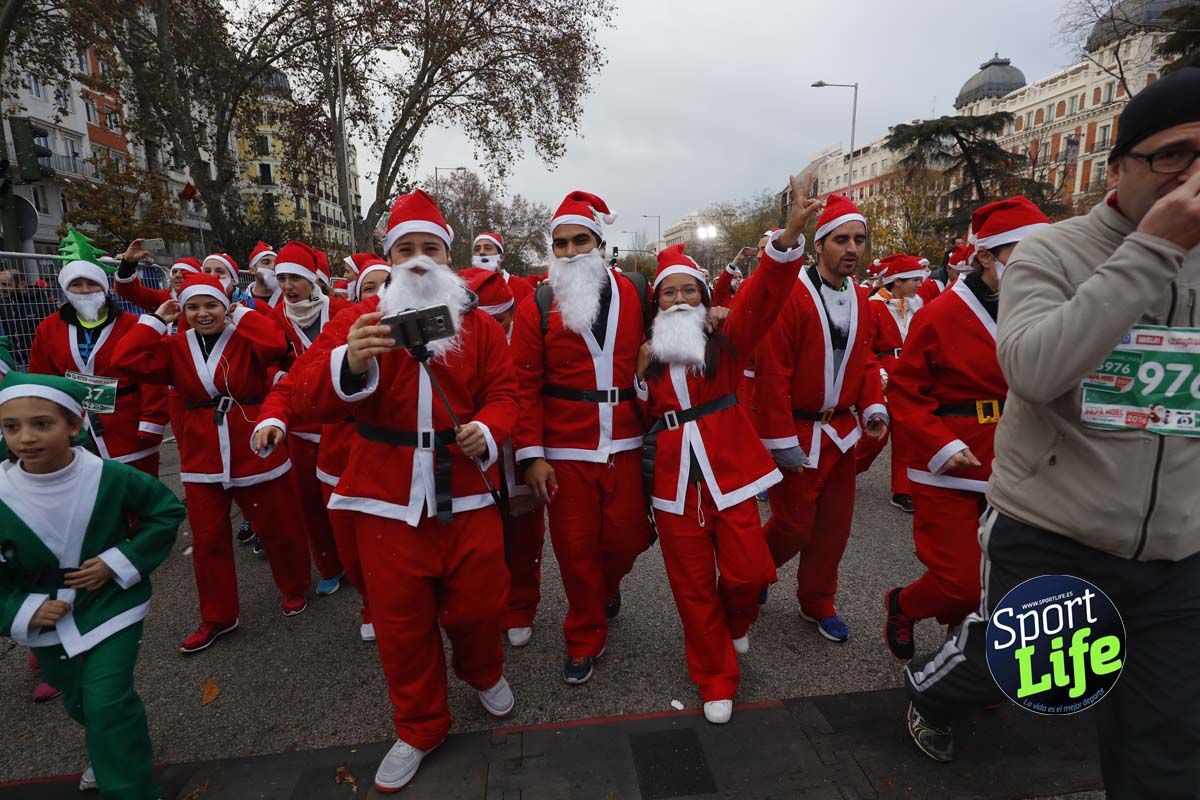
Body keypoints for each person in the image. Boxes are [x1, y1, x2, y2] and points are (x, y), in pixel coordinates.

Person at [902, 69, 1200, 799]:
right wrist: (1151, 249)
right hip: (1056, 531)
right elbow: (1033, 370)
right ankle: (933, 687)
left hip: (1176, 553)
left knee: (1169, 746)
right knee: (1030, 679)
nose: (1192, 178)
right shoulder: (1050, 254)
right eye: (1173, 155)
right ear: (1117, 165)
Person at [287, 189, 519, 793]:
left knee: (479, 605)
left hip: (465, 490)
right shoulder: (356, 321)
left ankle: (482, 668)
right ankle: (419, 725)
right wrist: (352, 363)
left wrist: (489, 430)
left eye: (430, 248)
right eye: (406, 249)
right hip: (385, 497)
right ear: (389, 259)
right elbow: (307, 393)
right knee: (400, 622)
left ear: (448, 257)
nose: (418, 260)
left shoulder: (479, 328)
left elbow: (505, 394)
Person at [636, 182, 823, 724]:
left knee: (748, 573)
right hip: (674, 490)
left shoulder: (728, 338)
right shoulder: (645, 358)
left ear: (703, 298)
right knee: (692, 590)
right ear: (657, 305)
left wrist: (788, 235)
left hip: (730, 478)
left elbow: (764, 297)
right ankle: (715, 676)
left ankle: (737, 622)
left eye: (688, 292)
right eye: (668, 294)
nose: (678, 301)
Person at [0, 372, 185, 799]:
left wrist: (119, 560)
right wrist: (19, 610)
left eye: (41, 424)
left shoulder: (110, 476)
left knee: (107, 701)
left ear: (75, 425)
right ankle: (112, 751)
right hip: (44, 614)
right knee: (78, 699)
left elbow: (165, 511)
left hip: (110, 603)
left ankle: (130, 788)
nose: (25, 437)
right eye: (12, 427)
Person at [110, 272, 314, 654]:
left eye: (211, 305)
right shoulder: (173, 345)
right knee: (207, 540)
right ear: (182, 310)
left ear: (225, 306)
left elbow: (275, 343)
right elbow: (125, 360)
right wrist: (156, 318)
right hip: (202, 452)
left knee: (279, 526)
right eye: (193, 307)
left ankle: (293, 586)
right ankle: (218, 616)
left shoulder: (246, 337)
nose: (203, 313)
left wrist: (242, 315)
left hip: (253, 443)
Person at [881, 202, 1036, 662]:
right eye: (1021, 252)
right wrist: (940, 443)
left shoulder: (1046, 307)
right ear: (987, 257)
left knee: (1000, 580)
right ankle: (903, 604)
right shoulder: (940, 314)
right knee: (960, 582)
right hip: (949, 462)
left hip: (1016, 461)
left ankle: (965, 661)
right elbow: (905, 394)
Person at [509, 190, 653, 685]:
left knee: (628, 538)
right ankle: (583, 634)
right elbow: (522, 382)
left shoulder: (635, 288)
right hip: (564, 449)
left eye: (580, 241)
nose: (570, 252)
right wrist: (531, 456)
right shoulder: (538, 302)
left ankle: (607, 586)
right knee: (574, 551)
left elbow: (677, 322)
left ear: (599, 242)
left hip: (627, 442)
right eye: (561, 243)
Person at [754, 194, 888, 643]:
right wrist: (777, 438)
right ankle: (753, 571)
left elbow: (865, 360)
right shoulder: (792, 294)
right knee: (793, 524)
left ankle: (818, 600)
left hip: (842, 432)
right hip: (797, 431)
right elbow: (773, 371)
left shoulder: (863, 297)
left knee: (833, 529)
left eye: (859, 240)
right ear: (819, 246)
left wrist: (872, 406)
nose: (852, 248)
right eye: (841, 239)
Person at [252, 241, 350, 597]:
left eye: (296, 278)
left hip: (341, 422)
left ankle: (353, 559)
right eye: (282, 278)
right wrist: (280, 379)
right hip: (300, 423)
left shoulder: (340, 311)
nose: (288, 286)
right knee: (309, 500)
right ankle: (328, 564)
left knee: (344, 496)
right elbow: (266, 363)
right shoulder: (274, 318)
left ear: (313, 280)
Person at [461, 266, 545, 647]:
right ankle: (489, 605)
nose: (490, 327)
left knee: (526, 536)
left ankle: (522, 605)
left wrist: (534, 452)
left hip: (521, 451)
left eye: (499, 319)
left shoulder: (528, 336)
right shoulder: (456, 337)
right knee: (482, 543)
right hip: (475, 456)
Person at [29, 258, 169, 477]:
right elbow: (42, 377)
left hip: (126, 423)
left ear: (105, 287)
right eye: (77, 284)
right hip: (73, 425)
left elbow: (151, 378)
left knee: (135, 493)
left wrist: (151, 421)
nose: (85, 290)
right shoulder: (49, 327)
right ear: (66, 289)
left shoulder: (134, 324)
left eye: (92, 283)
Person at [854, 253, 926, 512]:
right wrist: (879, 374)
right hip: (883, 374)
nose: (919, 284)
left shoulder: (918, 305)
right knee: (877, 434)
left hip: (909, 374)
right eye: (914, 280)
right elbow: (865, 347)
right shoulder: (873, 306)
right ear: (897, 282)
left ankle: (902, 490)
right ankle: (848, 467)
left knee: (906, 433)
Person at [471, 231, 535, 308]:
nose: (481, 252)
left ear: (501, 257)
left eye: (487, 248)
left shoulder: (522, 287)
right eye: (477, 249)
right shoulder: (466, 289)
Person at [245, 241, 281, 311]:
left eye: (276, 263)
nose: (273, 267)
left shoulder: (287, 298)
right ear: (252, 270)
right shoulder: (242, 300)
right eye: (266, 262)